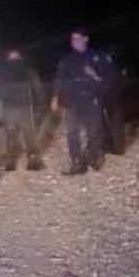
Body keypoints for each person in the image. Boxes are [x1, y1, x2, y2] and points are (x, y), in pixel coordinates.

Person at [51, 27, 118, 174]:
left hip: (92, 100)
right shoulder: (67, 60)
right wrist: (55, 98)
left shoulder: (98, 57)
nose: (74, 41)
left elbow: (110, 79)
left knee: (94, 131)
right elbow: (59, 80)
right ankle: (76, 162)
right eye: (72, 39)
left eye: (77, 38)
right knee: (72, 133)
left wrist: (95, 77)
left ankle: (95, 157)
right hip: (71, 102)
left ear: (86, 38)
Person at [0, 49, 45, 171]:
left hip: (10, 109)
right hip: (25, 107)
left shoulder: (1, 72)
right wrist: (40, 105)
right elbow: (38, 88)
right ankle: (33, 161)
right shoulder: (28, 70)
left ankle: (11, 162)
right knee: (29, 135)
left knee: (11, 135)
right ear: (20, 57)